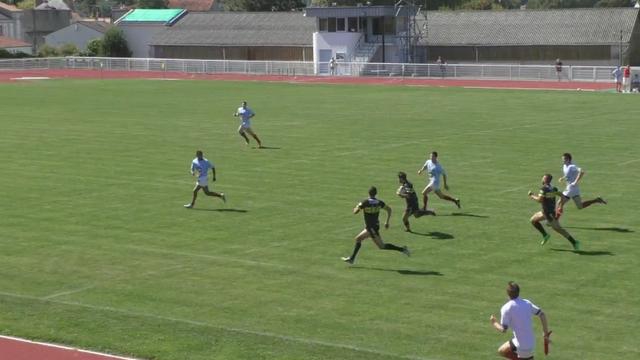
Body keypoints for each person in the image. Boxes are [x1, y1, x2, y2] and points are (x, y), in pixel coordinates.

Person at [341, 186, 411, 264]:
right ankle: (352, 259)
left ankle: (403, 249)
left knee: (380, 245)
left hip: (371, 228)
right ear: (376, 194)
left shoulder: (365, 202)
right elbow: (389, 209)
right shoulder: (379, 202)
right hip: (373, 226)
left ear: (369, 193)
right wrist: (387, 222)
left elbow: (355, 212)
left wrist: (357, 206)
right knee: (365, 241)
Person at [490, 282, 551, 360]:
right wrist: (545, 333)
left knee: (502, 351)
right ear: (518, 292)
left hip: (521, 345)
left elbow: (503, 329)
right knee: (502, 351)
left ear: (507, 294)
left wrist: (494, 322)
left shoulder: (506, 308)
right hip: (531, 342)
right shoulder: (527, 303)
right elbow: (542, 314)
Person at [528, 174, 580, 250]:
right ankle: (545, 235)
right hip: (545, 212)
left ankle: (575, 242)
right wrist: (561, 205)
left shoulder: (544, 189)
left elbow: (540, 200)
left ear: (546, 180)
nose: (542, 179)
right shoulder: (554, 188)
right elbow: (562, 195)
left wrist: (532, 195)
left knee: (559, 229)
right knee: (533, 220)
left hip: (549, 214)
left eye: (543, 178)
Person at [556, 153, 606, 218]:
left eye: (564, 159)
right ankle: (597, 200)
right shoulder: (565, 166)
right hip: (575, 189)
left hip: (571, 188)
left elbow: (582, 172)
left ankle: (555, 221)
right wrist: (562, 178)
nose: (563, 161)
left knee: (559, 203)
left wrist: (575, 182)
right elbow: (568, 174)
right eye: (562, 159)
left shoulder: (572, 166)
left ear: (569, 159)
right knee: (580, 206)